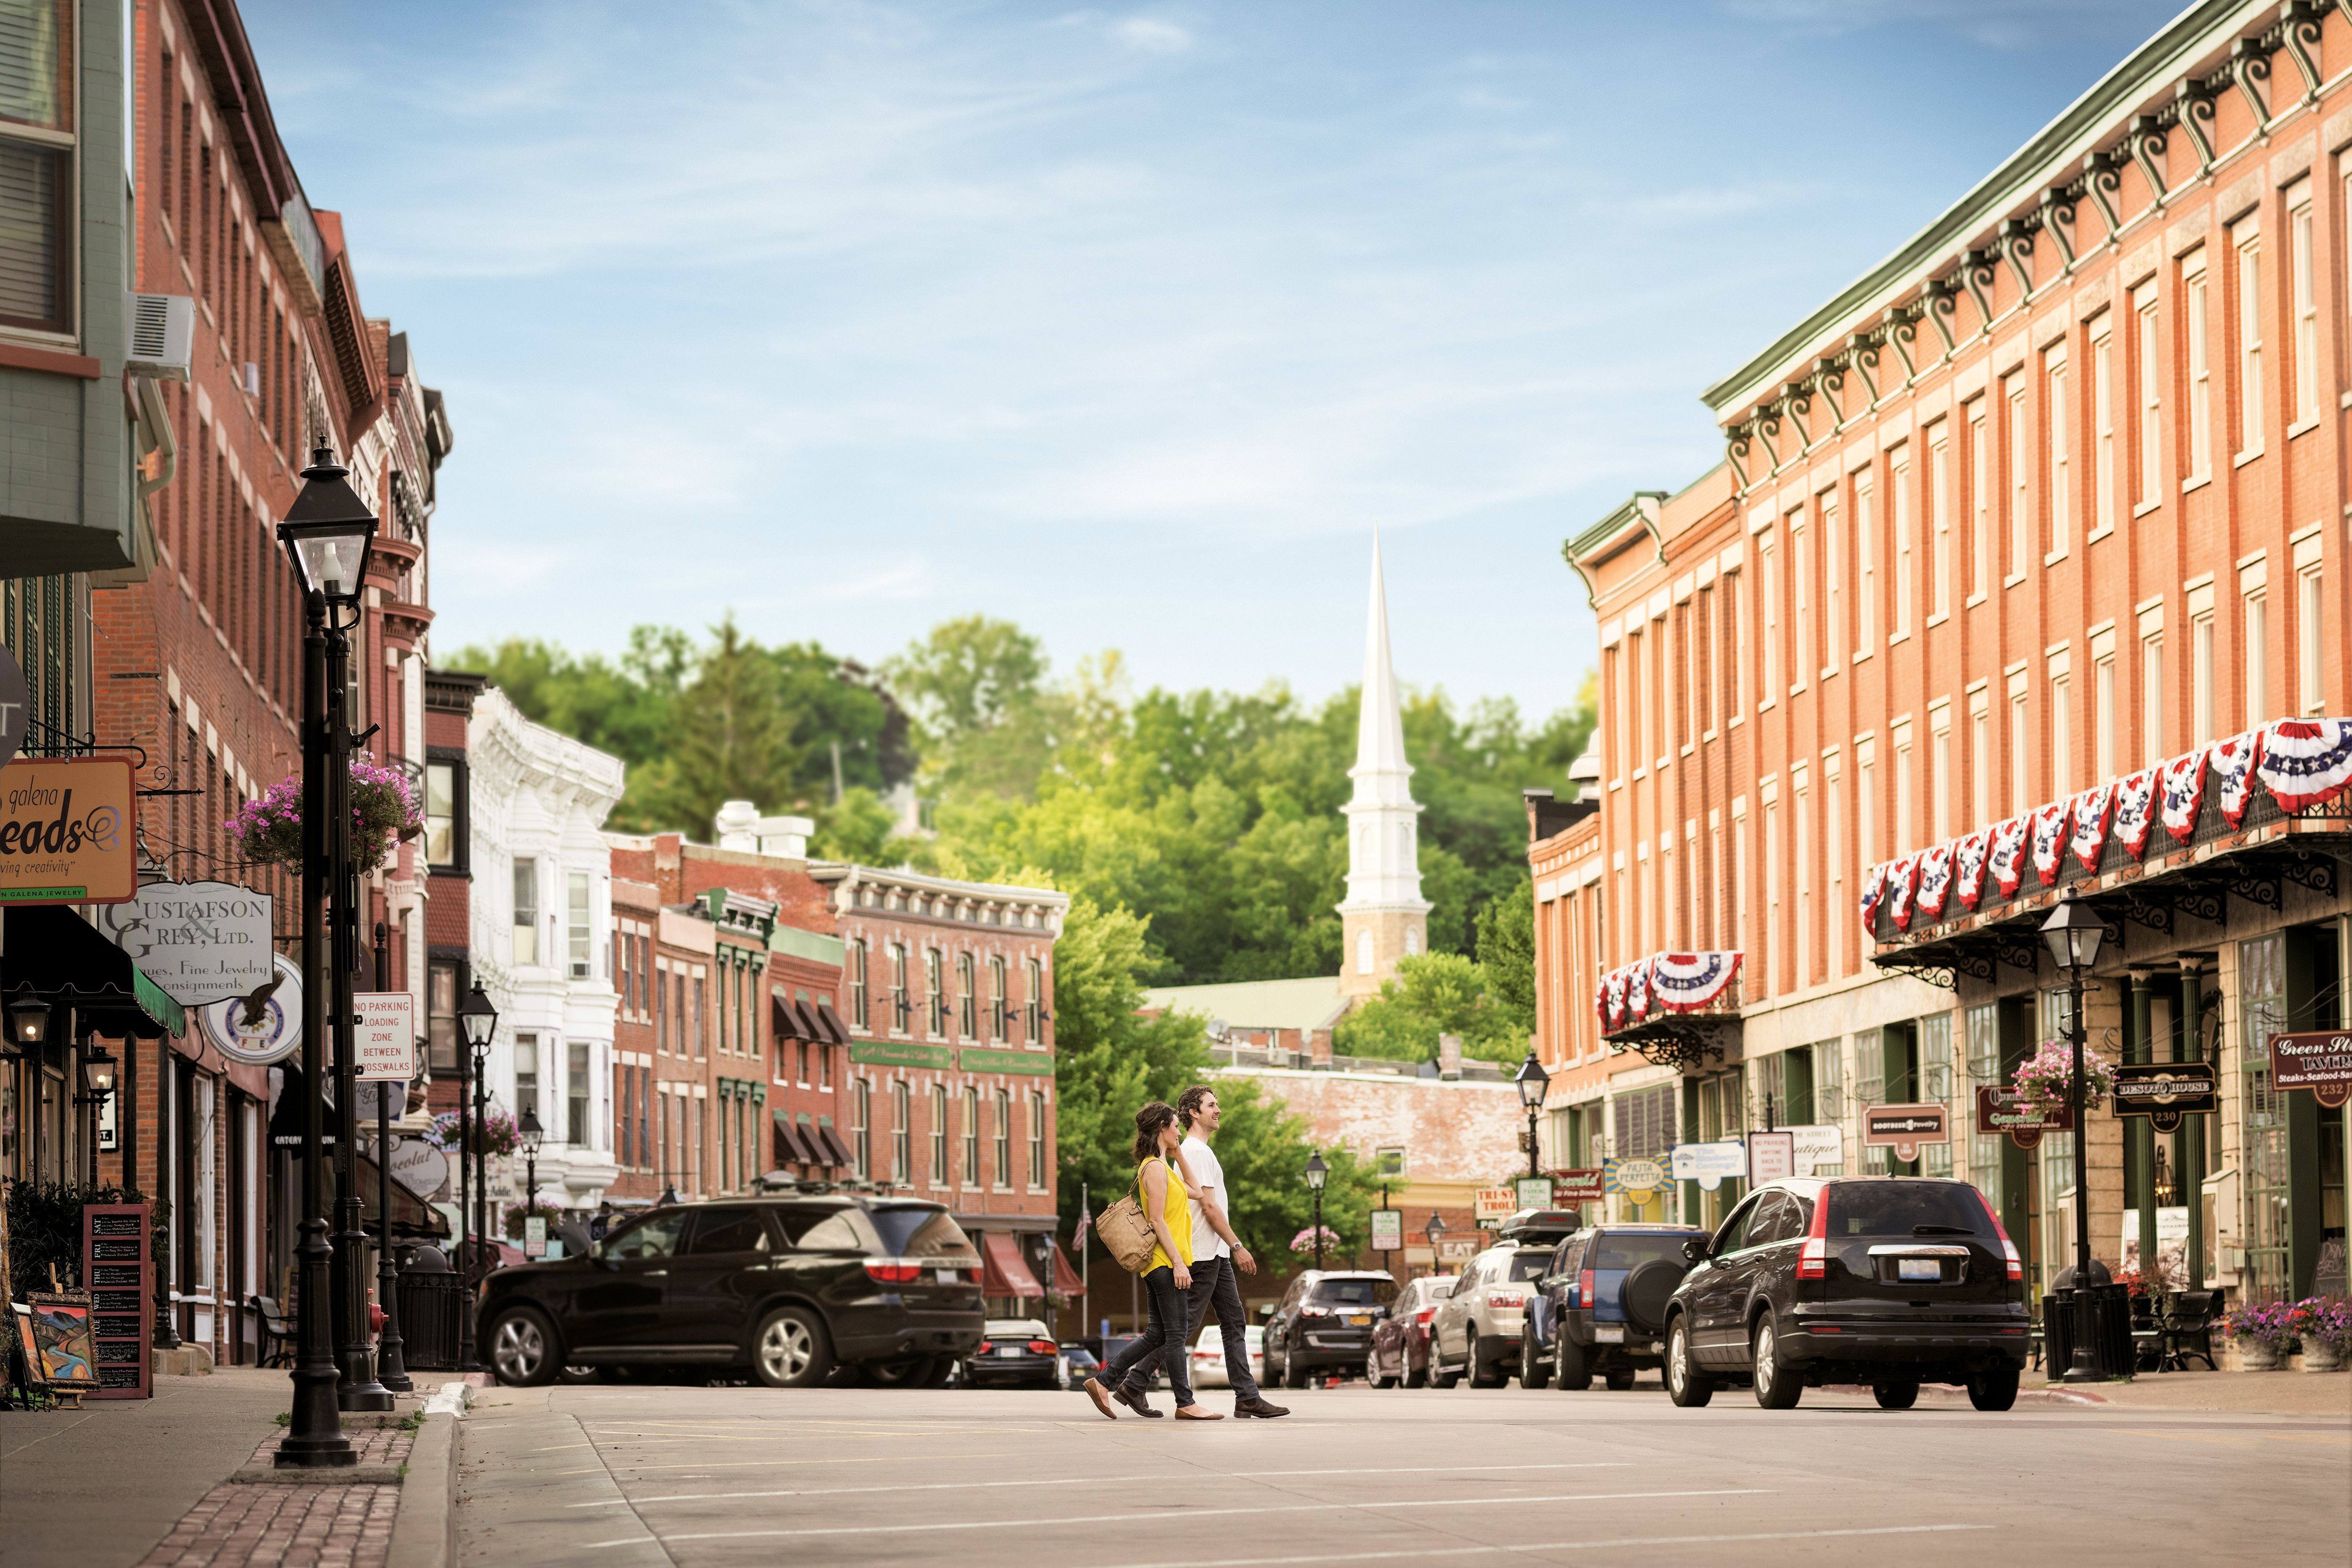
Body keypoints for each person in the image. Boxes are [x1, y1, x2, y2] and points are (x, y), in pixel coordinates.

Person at [1118, 1085, 1289, 1419]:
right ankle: (1135, 1382)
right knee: (1180, 1327)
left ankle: (1247, 1396)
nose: (1219, 1109)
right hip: (1203, 1252)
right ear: (1193, 1112)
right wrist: (1238, 1245)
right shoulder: (1197, 1151)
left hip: (1214, 1251)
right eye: (1212, 1104)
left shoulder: (1193, 1150)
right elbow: (1208, 1205)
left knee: (1233, 1320)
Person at [1081, 1102, 1222, 1421]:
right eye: (1175, 1126)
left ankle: (1104, 1381)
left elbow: (1198, 1191)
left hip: (1163, 1263)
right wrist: (1179, 1263)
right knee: (1175, 1334)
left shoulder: (1162, 1165)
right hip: (1164, 1262)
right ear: (1162, 1127)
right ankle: (1185, 1402)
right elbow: (1157, 1221)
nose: (1179, 1131)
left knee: (1158, 1333)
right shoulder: (1154, 1168)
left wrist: (1179, 1154)